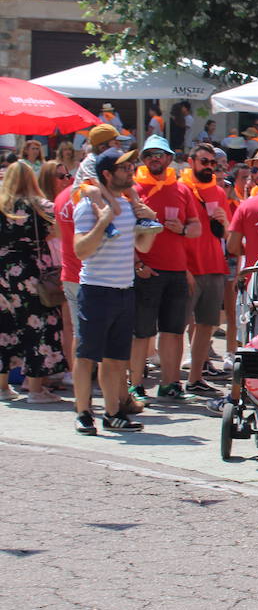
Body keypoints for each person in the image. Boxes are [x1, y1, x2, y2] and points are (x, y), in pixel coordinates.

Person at [71, 147, 160, 435]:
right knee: (86, 356)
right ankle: (83, 412)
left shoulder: (129, 205)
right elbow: (81, 250)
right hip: (96, 289)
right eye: (124, 168)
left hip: (124, 290)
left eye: (131, 166)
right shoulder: (88, 206)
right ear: (107, 174)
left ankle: (112, 413)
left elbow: (143, 247)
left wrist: (148, 222)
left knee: (115, 359)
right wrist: (104, 220)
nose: (131, 170)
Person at [129, 134, 201, 402]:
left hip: (175, 271)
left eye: (159, 154)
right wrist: (137, 264)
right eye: (149, 155)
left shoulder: (182, 190)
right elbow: (124, 233)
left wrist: (182, 229)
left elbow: (196, 228)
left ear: (170, 158)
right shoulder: (134, 188)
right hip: (146, 271)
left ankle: (170, 383)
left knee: (173, 331)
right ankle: (135, 384)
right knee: (141, 332)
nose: (154, 159)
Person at [0, 163, 67, 404]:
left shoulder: (3, 205)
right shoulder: (38, 205)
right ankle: (36, 389)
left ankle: (3, 386)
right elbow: (60, 229)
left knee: (6, 326)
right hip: (31, 272)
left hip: (3, 272)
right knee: (38, 325)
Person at [181, 142, 231, 395]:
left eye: (213, 163)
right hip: (188, 266)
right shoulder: (182, 189)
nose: (209, 167)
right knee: (175, 326)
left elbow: (226, 235)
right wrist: (183, 268)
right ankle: (169, 380)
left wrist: (224, 223)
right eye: (204, 162)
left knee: (205, 325)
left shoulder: (219, 193)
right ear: (191, 162)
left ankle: (195, 377)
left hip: (213, 265)